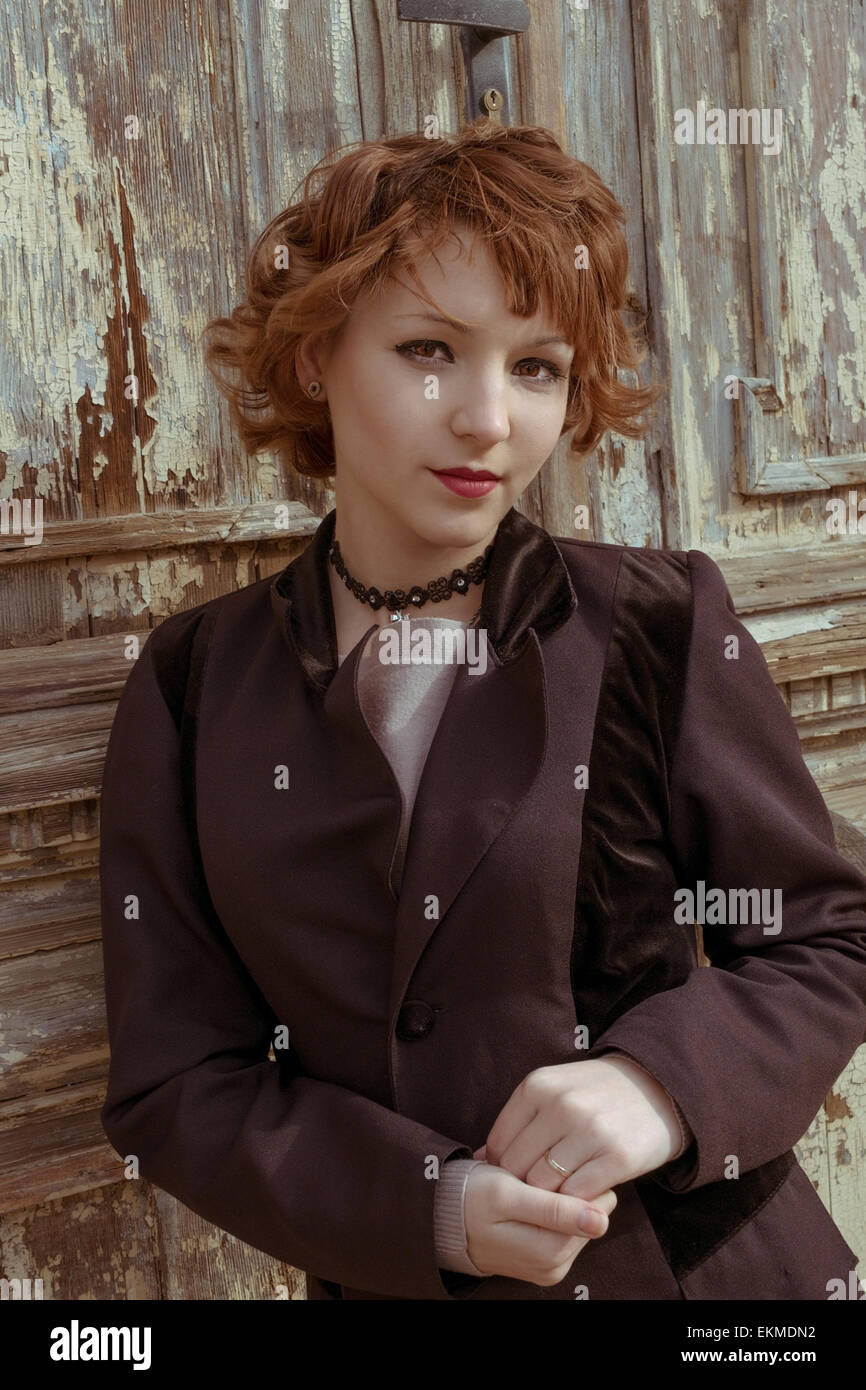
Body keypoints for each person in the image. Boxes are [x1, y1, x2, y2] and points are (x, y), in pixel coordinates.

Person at [99, 120, 866, 1300]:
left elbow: (829, 934)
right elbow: (174, 1082)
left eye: (536, 366)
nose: (486, 419)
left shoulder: (656, 623)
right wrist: (433, 1209)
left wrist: (662, 1085)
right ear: (315, 360)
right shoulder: (195, 682)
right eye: (427, 349)